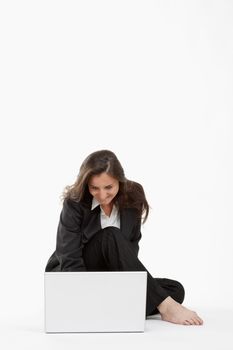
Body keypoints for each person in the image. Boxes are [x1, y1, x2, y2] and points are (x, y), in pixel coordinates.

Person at [45, 149, 203, 326]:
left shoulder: (133, 196)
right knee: (110, 235)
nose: (102, 195)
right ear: (86, 184)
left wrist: (122, 285)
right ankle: (164, 307)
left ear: (119, 181)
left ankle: (106, 307)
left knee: (175, 290)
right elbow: (69, 259)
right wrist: (87, 292)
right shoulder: (74, 203)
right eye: (94, 188)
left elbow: (130, 250)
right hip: (75, 275)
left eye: (109, 187)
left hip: (109, 278)